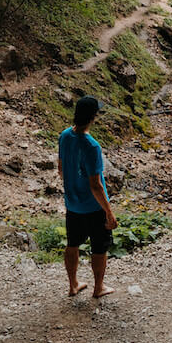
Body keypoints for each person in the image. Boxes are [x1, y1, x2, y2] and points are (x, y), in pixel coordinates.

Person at [58, 95, 117, 298]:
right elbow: (96, 185)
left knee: (72, 243)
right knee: (99, 247)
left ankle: (73, 285)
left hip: (72, 204)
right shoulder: (92, 146)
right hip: (93, 207)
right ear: (93, 117)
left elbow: (60, 168)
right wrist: (109, 212)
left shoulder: (64, 136)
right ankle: (98, 288)